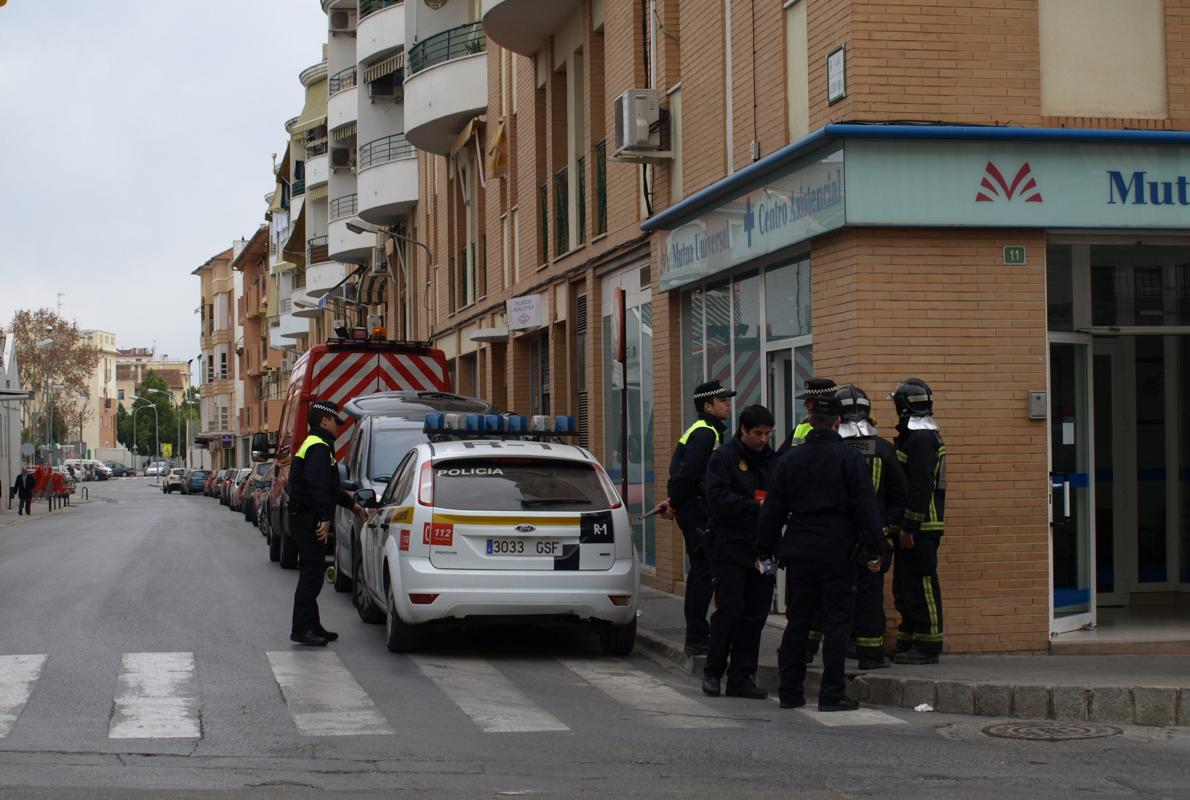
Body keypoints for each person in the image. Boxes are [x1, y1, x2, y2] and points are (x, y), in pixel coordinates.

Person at [756, 391, 884, 712]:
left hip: (800, 551)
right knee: (837, 624)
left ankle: (790, 691)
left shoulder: (790, 459)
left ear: (811, 420)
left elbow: (772, 511)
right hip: (839, 553)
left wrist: (765, 549)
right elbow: (865, 506)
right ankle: (831, 694)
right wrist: (876, 547)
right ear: (838, 422)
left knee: (798, 621)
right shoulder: (850, 459)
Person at [701, 404, 777, 700]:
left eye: (767, 434)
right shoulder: (723, 459)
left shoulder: (771, 461)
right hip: (729, 546)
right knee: (731, 610)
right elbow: (718, 500)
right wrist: (756, 507)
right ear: (743, 430)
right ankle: (712, 672)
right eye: (757, 433)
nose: (762, 440)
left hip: (762, 548)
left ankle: (741, 677)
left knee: (756, 615)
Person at [835, 384, 908, 670]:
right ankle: (870, 653)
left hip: (838, 537)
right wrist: (887, 528)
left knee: (836, 591)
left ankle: (835, 645)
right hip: (872, 538)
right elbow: (901, 494)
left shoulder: (834, 448)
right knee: (869, 592)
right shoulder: (884, 449)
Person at [660, 379, 735, 656]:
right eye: (723, 400)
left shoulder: (705, 430)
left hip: (693, 507)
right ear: (707, 405)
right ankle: (696, 636)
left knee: (700, 573)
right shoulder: (705, 433)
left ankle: (697, 633)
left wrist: (675, 501)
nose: (728, 404)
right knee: (703, 574)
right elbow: (688, 474)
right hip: (697, 511)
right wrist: (676, 504)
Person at [288, 400, 365, 647]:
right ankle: (301, 628)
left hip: (305, 516)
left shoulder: (317, 444)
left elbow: (330, 487)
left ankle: (312, 625)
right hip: (309, 518)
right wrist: (323, 518)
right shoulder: (319, 447)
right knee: (311, 575)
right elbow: (317, 485)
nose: (338, 427)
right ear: (324, 421)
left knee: (314, 573)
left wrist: (351, 504)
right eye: (335, 422)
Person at [889, 378, 947, 665]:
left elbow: (921, 485)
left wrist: (910, 525)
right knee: (906, 584)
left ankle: (928, 645)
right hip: (914, 525)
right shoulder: (918, 435)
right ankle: (910, 637)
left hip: (922, 526)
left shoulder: (922, 438)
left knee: (922, 584)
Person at [777, 378, 837, 454]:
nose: (805, 404)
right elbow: (781, 457)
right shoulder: (802, 426)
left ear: (824, 402)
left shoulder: (844, 427)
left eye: (809, 400)